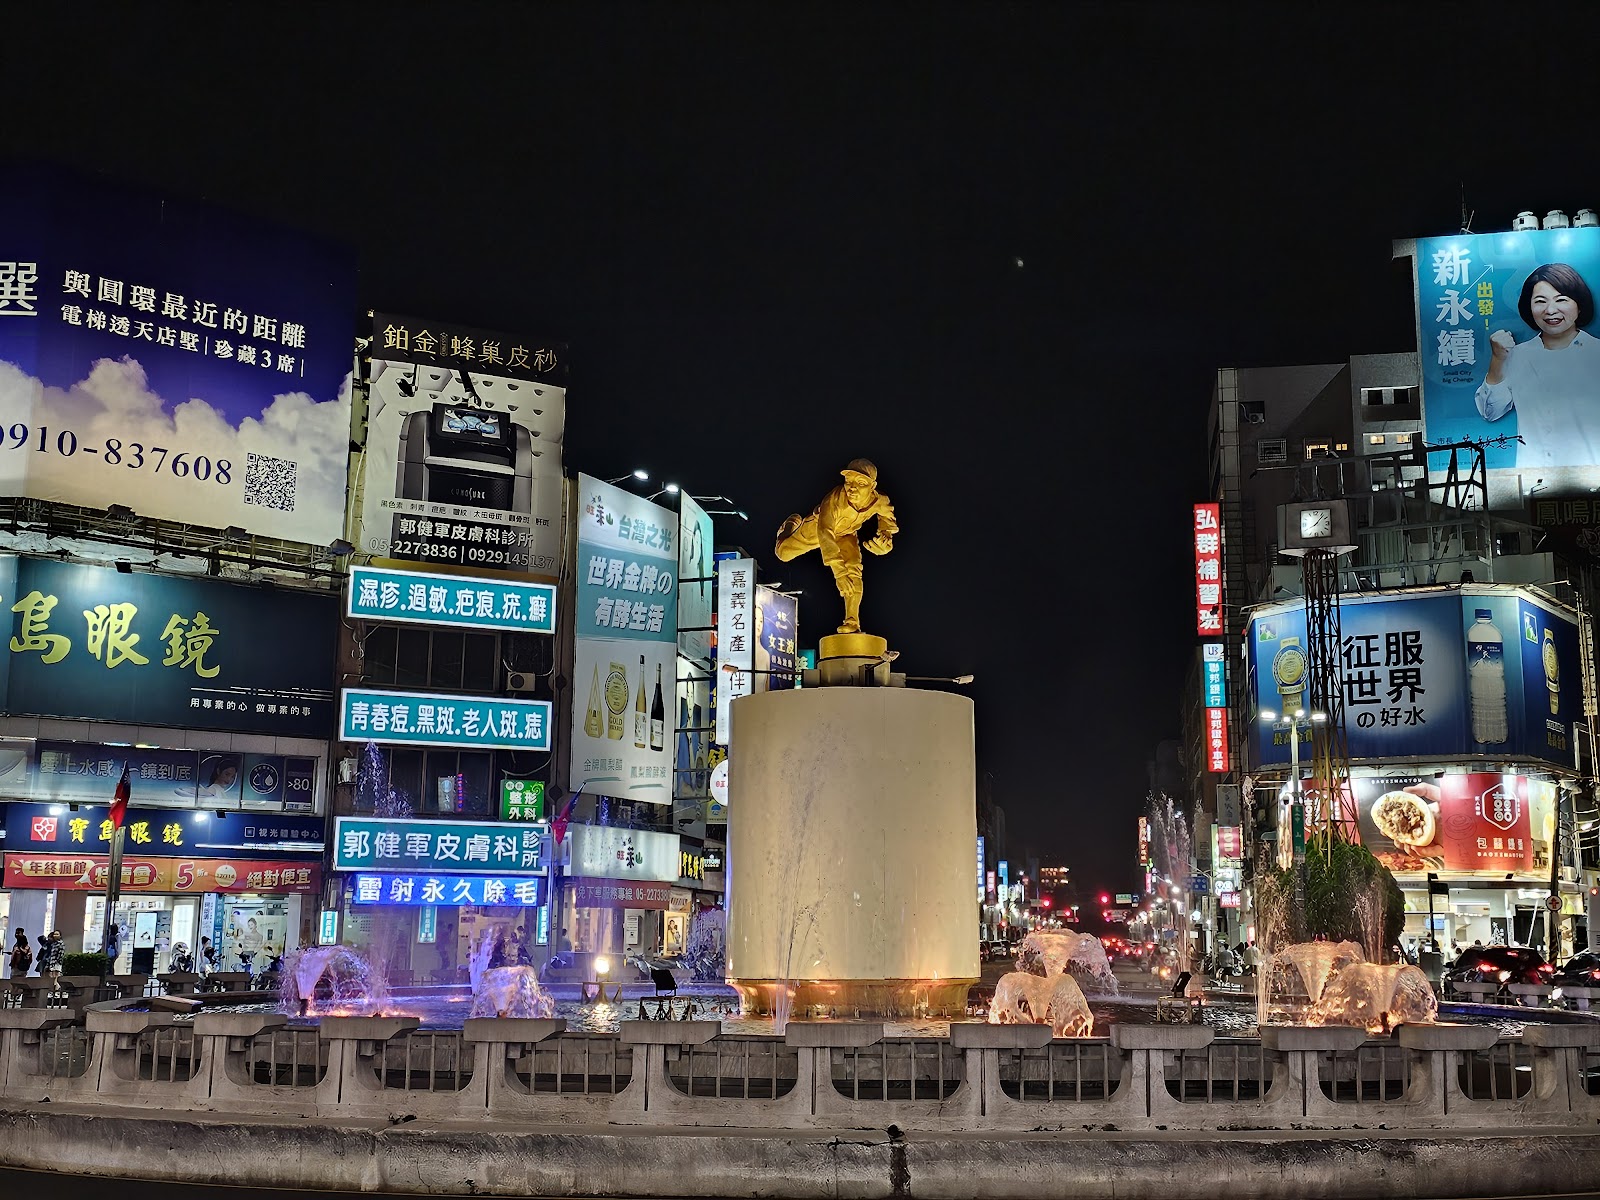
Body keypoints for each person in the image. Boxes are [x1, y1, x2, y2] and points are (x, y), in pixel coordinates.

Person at [1475, 262, 1600, 468]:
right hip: (1534, 474)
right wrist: (1497, 359)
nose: (1551, 310)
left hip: (1592, 473)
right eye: (1540, 301)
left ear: (1579, 304)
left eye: (1561, 300)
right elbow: (1490, 412)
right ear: (1529, 307)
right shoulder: (1516, 356)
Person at [774, 459, 898, 634]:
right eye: (848, 481)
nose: (852, 487)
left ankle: (852, 621)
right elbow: (825, 532)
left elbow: (887, 520)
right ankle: (790, 525)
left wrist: (886, 540)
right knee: (783, 553)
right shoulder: (835, 498)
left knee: (854, 570)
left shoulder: (880, 500)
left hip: (847, 534)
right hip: (817, 529)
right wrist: (839, 573)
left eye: (861, 483)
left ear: (873, 486)